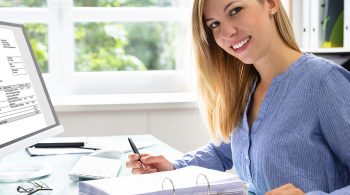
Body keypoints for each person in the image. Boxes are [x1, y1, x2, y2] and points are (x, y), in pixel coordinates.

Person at [126, 0, 350, 194]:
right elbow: (225, 149)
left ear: (271, 3)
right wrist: (174, 168)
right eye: (214, 24)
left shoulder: (323, 81)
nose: (227, 33)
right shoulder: (246, 86)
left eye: (235, 10)